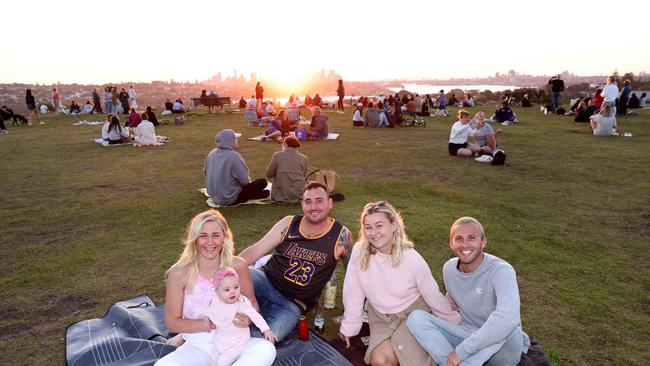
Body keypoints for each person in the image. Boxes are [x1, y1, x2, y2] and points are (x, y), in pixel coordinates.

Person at [339, 201, 460, 366]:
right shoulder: (360, 252)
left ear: (394, 225)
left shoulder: (411, 258)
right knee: (379, 360)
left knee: (412, 359)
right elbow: (353, 291)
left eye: (379, 225)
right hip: (381, 317)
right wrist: (350, 326)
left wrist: (453, 324)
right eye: (368, 227)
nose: (373, 233)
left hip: (412, 314)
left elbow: (432, 295)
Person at [154, 210, 276, 366]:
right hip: (199, 344)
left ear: (224, 238)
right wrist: (205, 324)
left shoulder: (237, 265)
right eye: (203, 235)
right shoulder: (178, 273)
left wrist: (249, 318)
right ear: (194, 239)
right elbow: (172, 323)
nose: (210, 242)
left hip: (236, 342)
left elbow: (252, 302)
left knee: (266, 349)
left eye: (216, 235)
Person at [407, 217, 531, 366]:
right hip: (468, 332)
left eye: (472, 238)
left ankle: (465, 361)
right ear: (452, 243)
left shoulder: (501, 270)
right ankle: (451, 362)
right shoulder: (449, 269)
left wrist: (461, 352)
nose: (465, 244)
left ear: (483, 242)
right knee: (416, 318)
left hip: (503, 346)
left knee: (505, 326)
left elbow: (508, 319)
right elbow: (452, 302)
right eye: (459, 238)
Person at [239, 181, 353, 341]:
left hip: (291, 303)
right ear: (302, 204)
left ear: (330, 203)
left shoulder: (342, 235)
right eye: (308, 201)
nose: (313, 207)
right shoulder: (289, 223)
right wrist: (225, 270)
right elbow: (255, 251)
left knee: (263, 339)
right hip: (265, 280)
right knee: (226, 288)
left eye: (319, 201)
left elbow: (354, 274)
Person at [208, 268, 277, 366]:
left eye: (236, 287)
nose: (232, 292)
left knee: (223, 362)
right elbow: (210, 309)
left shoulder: (241, 304)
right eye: (227, 290)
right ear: (217, 291)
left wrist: (266, 329)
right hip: (220, 338)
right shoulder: (215, 299)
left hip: (237, 342)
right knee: (213, 359)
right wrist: (208, 317)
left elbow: (255, 316)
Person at [204, 129, 269, 206]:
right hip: (229, 197)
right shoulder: (234, 156)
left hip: (214, 195)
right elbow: (245, 181)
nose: (237, 141)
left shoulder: (211, 153)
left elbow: (205, 172)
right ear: (229, 140)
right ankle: (257, 194)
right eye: (235, 139)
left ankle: (257, 194)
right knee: (262, 182)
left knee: (258, 189)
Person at [265, 136, 308, 204]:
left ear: (285, 144)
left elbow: (268, 174)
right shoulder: (304, 158)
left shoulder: (277, 155)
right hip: (298, 195)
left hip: (279, 196)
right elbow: (304, 177)